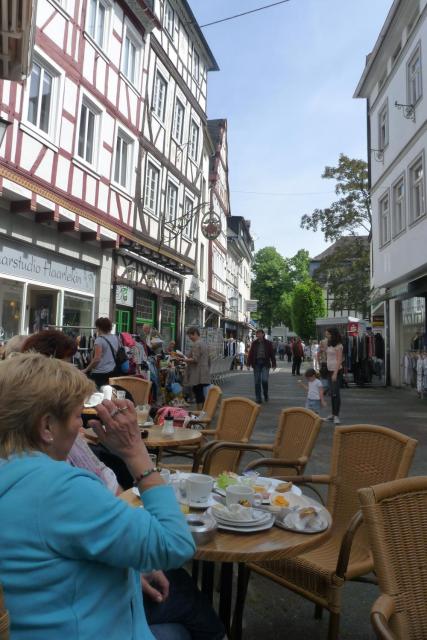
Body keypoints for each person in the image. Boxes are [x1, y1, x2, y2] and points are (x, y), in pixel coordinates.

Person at [0, 353, 196, 639]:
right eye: (77, 415)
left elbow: (53, 563)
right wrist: (136, 454)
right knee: (192, 622)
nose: (80, 427)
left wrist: (132, 569)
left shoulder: (14, 476)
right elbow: (176, 543)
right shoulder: (62, 489)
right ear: (46, 427)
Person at [82, 316, 121, 387]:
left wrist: (86, 369)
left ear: (99, 328)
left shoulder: (99, 340)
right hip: (112, 371)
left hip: (99, 373)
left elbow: (97, 359)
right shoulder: (115, 337)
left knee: (95, 393)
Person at [181, 327, 211, 410]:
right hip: (204, 371)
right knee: (201, 392)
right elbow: (209, 359)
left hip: (197, 372)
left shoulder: (196, 344)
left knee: (198, 392)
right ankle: (203, 410)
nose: (190, 338)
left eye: (190, 336)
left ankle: (199, 411)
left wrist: (184, 359)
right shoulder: (205, 343)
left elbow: (195, 359)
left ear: (194, 333)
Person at [247, 329, 276, 403]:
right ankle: (258, 398)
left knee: (264, 380)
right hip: (256, 363)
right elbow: (250, 354)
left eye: (259, 333)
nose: (258, 335)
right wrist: (248, 364)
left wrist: (274, 364)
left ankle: (265, 394)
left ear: (263, 334)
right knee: (257, 381)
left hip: (265, 363)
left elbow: (272, 354)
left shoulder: (268, 343)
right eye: (257, 334)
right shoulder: (254, 343)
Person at [325, 327, 344, 425]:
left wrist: (335, 373)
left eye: (328, 334)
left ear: (333, 335)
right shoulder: (329, 344)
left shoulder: (339, 346)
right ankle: (333, 414)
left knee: (336, 393)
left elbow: (339, 360)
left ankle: (336, 416)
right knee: (332, 393)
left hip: (336, 371)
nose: (326, 336)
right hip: (329, 371)